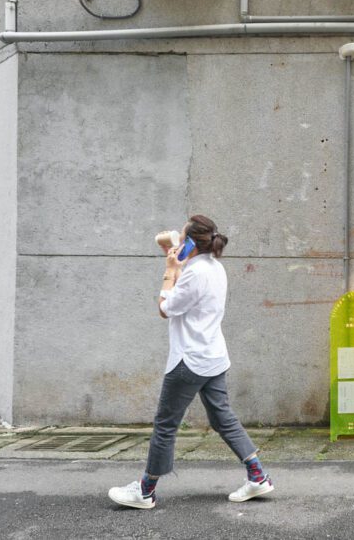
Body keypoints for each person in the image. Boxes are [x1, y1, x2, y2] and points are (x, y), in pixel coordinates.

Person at [109, 215, 273, 509]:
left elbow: (166, 308)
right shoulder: (214, 267)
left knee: (165, 425)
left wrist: (168, 270)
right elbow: (188, 286)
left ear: (190, 245)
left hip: (189, 361)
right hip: (213, 357)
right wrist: (175, 260)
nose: (178, 243)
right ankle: (258, 475)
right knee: (223, 419)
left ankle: (145, 491)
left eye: (182, 239)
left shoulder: (195, 273)